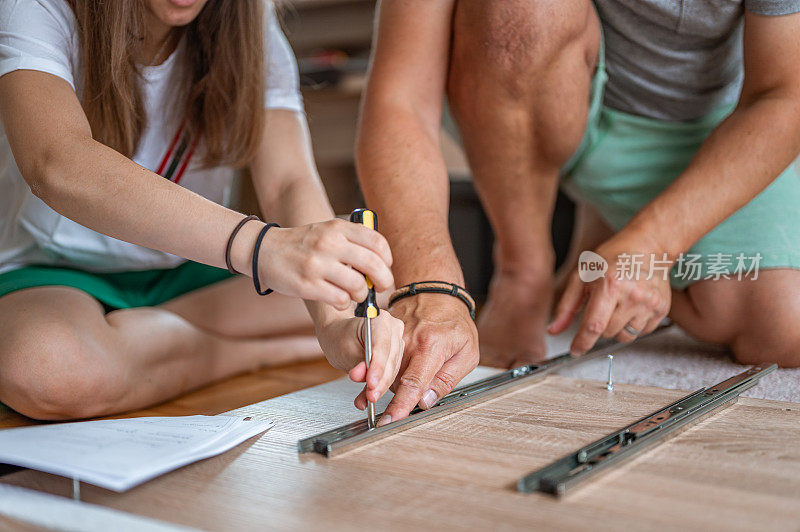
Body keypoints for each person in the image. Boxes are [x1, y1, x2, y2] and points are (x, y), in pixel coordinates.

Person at [356, 0, 800, 424]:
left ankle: (612, 222)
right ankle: (522, 275)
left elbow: (784, 95)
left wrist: (655, 242)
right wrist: (433, 288)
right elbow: (401, 99)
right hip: (530, 102)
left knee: (779, 326)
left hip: (710, 129)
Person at [0, 0, 405, 420]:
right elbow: (57, 161)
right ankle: (256, 351)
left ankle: (143, 340)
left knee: (373, 274)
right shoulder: (34, 6)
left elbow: (288, 182)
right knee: (47, 367)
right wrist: (264, 248)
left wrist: (333, 319)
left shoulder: (250, 17)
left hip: (189, 267)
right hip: (51, 273)